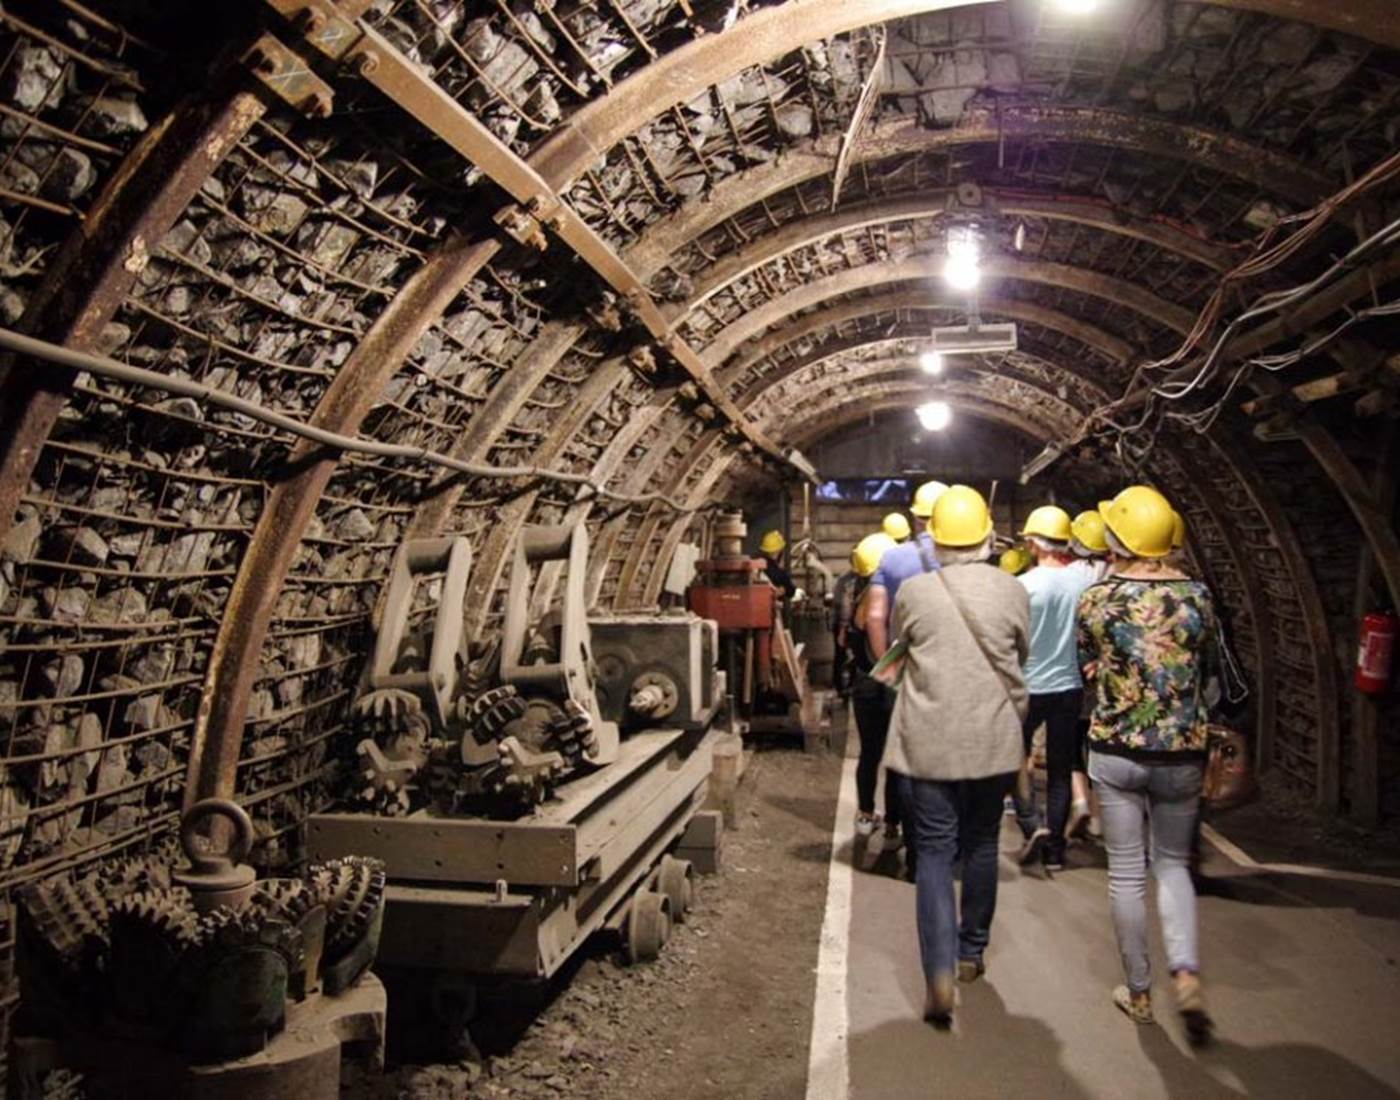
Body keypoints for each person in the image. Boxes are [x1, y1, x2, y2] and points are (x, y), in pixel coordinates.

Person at [882, 485, 1029, 1024]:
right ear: (990, 536)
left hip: (929, 742)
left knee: (936, 853)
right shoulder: (1013, 590)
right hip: (992, 741)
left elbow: (902, 649)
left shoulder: (915, 592)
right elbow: (1021, 657)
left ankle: (938, 974)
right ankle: (971, 953)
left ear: (933, 539)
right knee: (983, 843)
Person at [1077, 485, 1217, 1042]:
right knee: (1174, 866)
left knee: (1127, 875)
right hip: (1182, 750)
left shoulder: (1098, 600)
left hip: (1116, 751)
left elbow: (1085, 661)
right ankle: (1186, 971)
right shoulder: (1199, 597)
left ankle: (1138, 991)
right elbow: (1205, 667)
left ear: (1118, 538)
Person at [1009, 506, 1094, 871]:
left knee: (1015, 758)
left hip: (1028, 685)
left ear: (1033, 542)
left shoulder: (1024, 586)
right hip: (1069, 686)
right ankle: (1057, 849)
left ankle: (1031, 824)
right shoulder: (1084, 583)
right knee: (1060, 769)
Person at [846, 532, 899, 840]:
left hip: (864, 686)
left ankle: (865, 815)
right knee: (895, 760)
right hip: (891, 685)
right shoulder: (891, 603)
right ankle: (893, 824)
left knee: (870, 754)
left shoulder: (858, 601)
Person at [866, 480, 948, 658]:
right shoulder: (969, 560)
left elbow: (874, 617)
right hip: (955, 661)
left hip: (909, 662)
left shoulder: (891, 558)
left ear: (916, 518)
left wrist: (888, 668)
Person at [757, 530, 796, 601]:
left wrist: (783, 590)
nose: (775, 553)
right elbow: (791, 590)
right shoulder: (772, 568)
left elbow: (791, 590)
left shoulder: (758, 563)